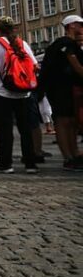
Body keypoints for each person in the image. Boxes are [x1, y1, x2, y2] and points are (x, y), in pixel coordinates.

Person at [0, 16, 38, 174]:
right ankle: (30, 164)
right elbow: (35, 66)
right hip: (24, 93)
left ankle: (6, 164)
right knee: (25, 129)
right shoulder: (22, 43)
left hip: (3, 93)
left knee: (5, 130)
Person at [37, 14, 83, 171]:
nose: (82, 28)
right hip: (62, 89)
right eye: (80, 25)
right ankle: (69, 157)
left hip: (59, 89)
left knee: (70, 122)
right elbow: (76, 65)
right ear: (71, 26)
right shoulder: (67, 44)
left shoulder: (57, 44)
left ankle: (73, 155)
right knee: (64, 123)